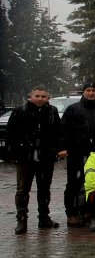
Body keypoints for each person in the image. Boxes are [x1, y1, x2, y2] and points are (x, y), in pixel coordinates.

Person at [7, 86, 63, 234]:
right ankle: (21, 219)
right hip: (25, 158)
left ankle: (44, 217)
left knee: (44, 189)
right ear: (30, 96)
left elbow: (58, 133)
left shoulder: (52, 111)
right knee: (22, 190)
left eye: (43, 96)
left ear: (48, 97)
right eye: (37, 96)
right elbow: (11, 134)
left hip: (46, 158)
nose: (40, 99)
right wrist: (15, 153)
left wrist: (56, 150)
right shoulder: (20, 111)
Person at [61, 82, 95, 227]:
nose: (91, 93)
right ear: (83, 92)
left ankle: (90, 211)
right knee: (74, 184)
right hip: (76, 154)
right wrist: (63, 147)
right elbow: (63, 130)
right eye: (88, 90)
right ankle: (72, 213)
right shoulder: (73, 109)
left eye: (93, 90)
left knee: (94, 184)